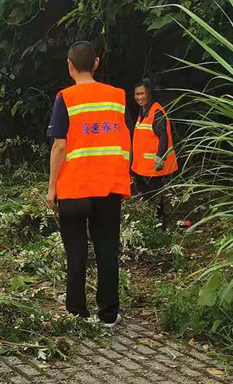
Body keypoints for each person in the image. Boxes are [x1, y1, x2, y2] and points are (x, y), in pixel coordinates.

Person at [45, 41, 132, 327]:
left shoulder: (65, 98)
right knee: (106, 249)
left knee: (76, 250)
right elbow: (126, 139)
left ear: (69, 65)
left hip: (74, 187)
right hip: (108, 187)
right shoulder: (116, 97)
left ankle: (77, 312)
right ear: (96, 63)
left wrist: (52, 188)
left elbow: (59, 146)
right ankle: (108, 314)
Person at [131, 78, 178, 225]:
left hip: (155, 167)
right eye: (137, 94)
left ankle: (159, 226)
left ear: (149, 93)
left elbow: (163, 135)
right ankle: (153, 224)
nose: (139, 97)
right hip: (143, 168)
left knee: (155, 199)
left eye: (142, 93)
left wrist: (160, 157)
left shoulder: (156, 111)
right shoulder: (143, 112)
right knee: (148, 198)